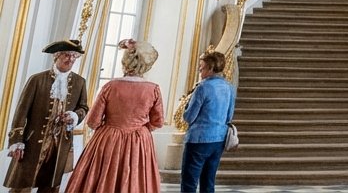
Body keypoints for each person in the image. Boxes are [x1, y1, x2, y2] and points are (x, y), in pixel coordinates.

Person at [64, 39, 163, 193]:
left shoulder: (110, 86)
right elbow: (158, 121)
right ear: (146, 65)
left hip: (109, 138)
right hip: (139, 141)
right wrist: (141, 128)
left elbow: (93, 121)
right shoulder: (153, 89)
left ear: (125, 62)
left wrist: (111, 126)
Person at [5, 39, 89, 193]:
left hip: (60, 144)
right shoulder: (37, 80)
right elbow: (21, 112)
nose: (70, 59)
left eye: (73, 56)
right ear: (56, 56)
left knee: (50, 186)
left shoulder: (80, 82)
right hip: (32, 142)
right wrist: (17, 141)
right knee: (21, 185)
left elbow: (83, 107)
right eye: (65, 55)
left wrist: (74, 116)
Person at [180, 50, 237, 193]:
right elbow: (229, 116)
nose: (200, 69)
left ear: (211, 68)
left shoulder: (203, 87)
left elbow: (189, 117)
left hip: (198, 140)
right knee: (208, 182)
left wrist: (186, 107)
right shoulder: (229, 87)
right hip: (218, 140)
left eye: (202, 67)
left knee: (189, 183)